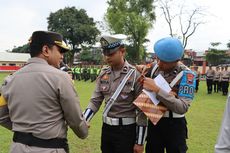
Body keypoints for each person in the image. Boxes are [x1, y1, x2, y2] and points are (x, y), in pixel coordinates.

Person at [0, 31, 88, 153]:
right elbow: (74, 118)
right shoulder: (61, 78)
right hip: (50, 149)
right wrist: (83, 131)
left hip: (17, 148)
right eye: (60, 51)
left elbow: (2, 116)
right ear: (46, 50)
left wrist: (25, 132)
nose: (62, 56)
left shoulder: (10, 79)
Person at [83, 34, 147, 153]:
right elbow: (95, 101)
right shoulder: (103, 74)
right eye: (105, 54)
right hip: (107, 129)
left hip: (127, 130)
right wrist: (84, 119)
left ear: (122, 51)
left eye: (111, 54)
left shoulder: (135, 75)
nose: (107, 57)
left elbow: (142, 111)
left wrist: (139, 142)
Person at [141, 37, 196, 153]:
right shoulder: (155, 67)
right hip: (154, 121)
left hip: (175, 125)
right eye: (158, 58)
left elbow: (182, 107)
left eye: (165, 62)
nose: (159, 63)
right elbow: (141, 73)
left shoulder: (187, 75)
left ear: (177, 60)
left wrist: (157, 90)